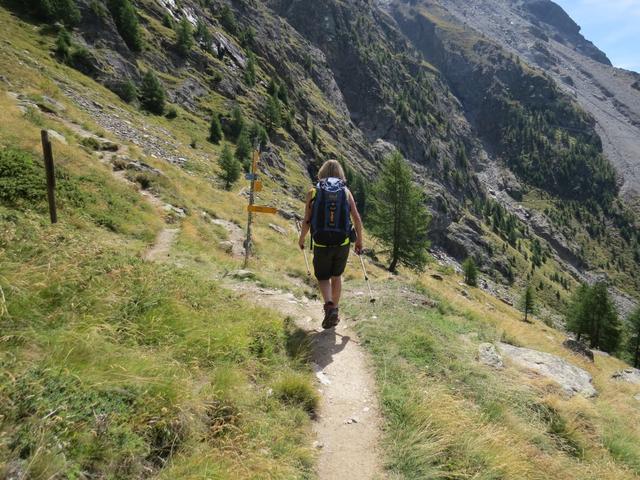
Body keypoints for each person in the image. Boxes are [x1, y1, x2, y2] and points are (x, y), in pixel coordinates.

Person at [298, 160, 364, 329]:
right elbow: (357, 219)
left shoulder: (313, 192)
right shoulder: (345, 192)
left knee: (322, 277)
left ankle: (329, 306)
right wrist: (359, 241)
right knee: (336, 276)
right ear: (340, 174)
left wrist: (302, 238)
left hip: (321, 243)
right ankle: (334, 309)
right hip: (342, 242)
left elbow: (307, 221)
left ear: (321, 173)